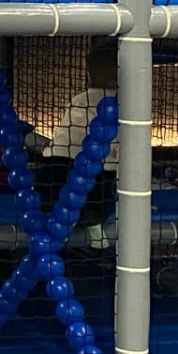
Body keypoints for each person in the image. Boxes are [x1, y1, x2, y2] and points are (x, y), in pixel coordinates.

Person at [28, 40, 119, 221]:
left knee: (49, 206)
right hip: (93, 180)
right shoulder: (122, 104)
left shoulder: (79, 100)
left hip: (51, 171)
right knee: (92, 212)